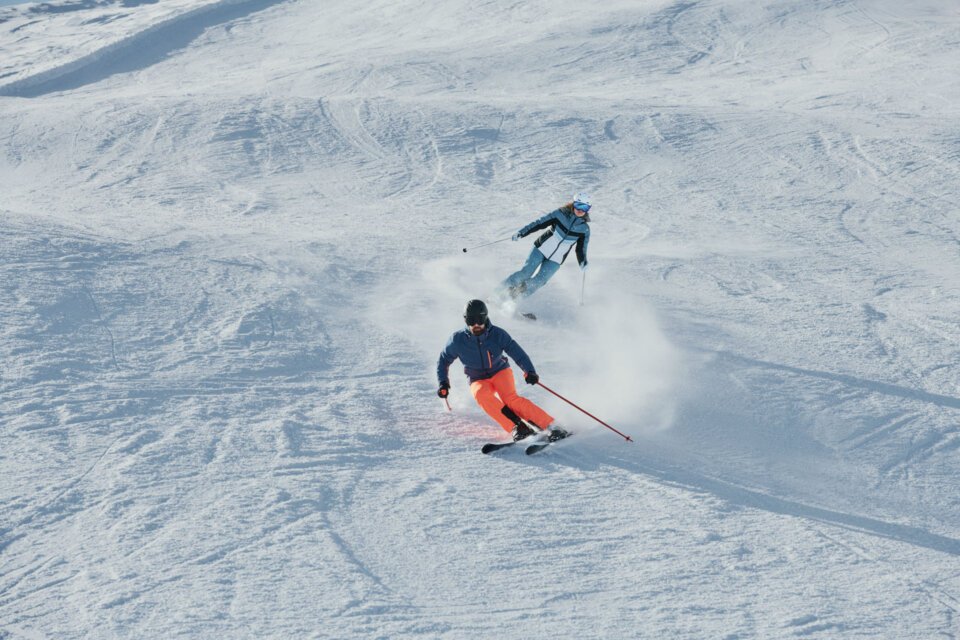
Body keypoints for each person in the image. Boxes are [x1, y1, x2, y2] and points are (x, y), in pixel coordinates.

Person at [437, 299, 568, 441]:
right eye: (471, 320)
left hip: (500, 371)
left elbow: (517, 353)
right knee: (481, 395)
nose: (476, 324)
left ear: (486, 317)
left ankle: (551, 425)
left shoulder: (497, 334)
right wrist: (443, 383)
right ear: (465, 320)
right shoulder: (458, 340)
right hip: (477, 378)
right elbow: (443, 360)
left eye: (480, 319)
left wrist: (529, 371)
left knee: (511, 400)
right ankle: (517, 427)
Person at [496, 191, 592, 302]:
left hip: (556, 259)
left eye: (585, 207)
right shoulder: (560, 214)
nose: (581, 210)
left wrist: (582, 262)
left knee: (540, 281)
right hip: (541, 249)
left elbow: (581, 249)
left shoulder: (584, 229)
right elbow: (539, 223)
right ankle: (497, 292)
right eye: (579, 205)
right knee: (525, 273)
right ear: (573, 204)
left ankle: (513, 300)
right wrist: (522, 232)